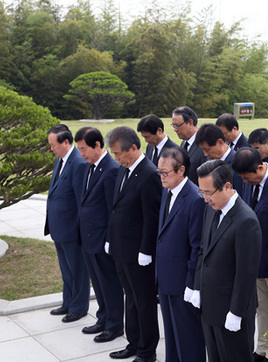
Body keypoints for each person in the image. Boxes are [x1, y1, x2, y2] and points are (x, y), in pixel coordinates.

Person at [189, 160, 262, 362]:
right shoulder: (211, 209)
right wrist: (196, 288)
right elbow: (203, 252)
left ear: (227, 187)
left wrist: (236, 312)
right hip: (210, 305)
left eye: (208, 193)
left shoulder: (246, 220)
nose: (205, 199)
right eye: (201, 192)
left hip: (232, 311)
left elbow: (245, 273)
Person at [105, 127, 161, 362]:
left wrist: (146, 250)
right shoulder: (124, 169)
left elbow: (151, 217)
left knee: (144, 302)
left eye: (118, 153)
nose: (116, 159)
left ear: (134, 148)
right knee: (131, 298)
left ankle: (147, 351)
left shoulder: (149, 174)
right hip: (121, 248)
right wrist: (110, 238)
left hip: (139, 253)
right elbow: (116, 207)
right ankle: (134, 343)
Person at [231, 148, 268, 362]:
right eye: (242, 179)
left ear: (260, 167)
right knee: (261, 309)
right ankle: (262, 350)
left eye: (247, 177)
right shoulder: (249, 184)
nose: (245, 182)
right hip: (255, 261)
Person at [156, 147, 206, 362]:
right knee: (172, 336)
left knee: (188, 338)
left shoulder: (194, 199)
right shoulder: (168, 192)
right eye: (159, 172)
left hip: (183, 282)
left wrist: (191, 285)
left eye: (165, 172)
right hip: (167, 278)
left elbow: (197, 248)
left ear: (181, 170)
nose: (161, 177)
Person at [75, 127, 124, 342]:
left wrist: (108, 240)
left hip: (101, 239)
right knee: (98, 282)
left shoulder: (111, 169)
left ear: (97, 145)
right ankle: (103, 318)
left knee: (109, 283)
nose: (81, 154)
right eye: (78, 150)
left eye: (84, 149)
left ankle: (114, 325)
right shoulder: (89, 167)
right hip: (88, 238)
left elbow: (111, 209)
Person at [45, 124, 90, 323]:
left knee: (77, 269)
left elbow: (81, 200)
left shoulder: (78, 163)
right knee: (66, 269)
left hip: (72, 228)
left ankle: (79, 307)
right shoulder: (60, 160)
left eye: (53, 145)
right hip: (59, 227)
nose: (51, 149)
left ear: (65, 142)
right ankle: (68, 302)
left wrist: (79, 229)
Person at [195, 123, 244, 196]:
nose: (205, 154)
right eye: (203, 150)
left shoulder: (238, 165)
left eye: (207, 150)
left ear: (220, 143)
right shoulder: (209, 161)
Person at [172, 106, 207, 185]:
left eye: (177, 125)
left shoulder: (204, 144)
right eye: (173, 125)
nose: (175, 129)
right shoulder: (184, 143)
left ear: (190, 123)